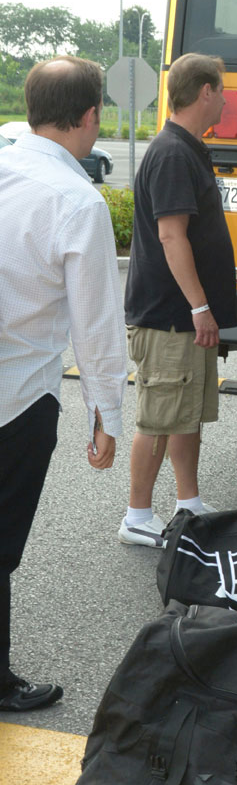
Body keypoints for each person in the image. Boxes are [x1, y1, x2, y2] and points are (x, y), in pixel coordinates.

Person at [0, 57, 126, 712]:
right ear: (88, 117)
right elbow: (97, 325)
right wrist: (105, 417)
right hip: (16, 397)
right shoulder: (77, 201)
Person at [119, 53, 237, 548]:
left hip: (181, 317)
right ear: (205, 92)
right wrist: (199, 307)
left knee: (184, 413)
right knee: (160, 416)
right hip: (168, 317)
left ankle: (187, 502)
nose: (226, 99)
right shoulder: (172, 153)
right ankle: (136, 518)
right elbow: (172, 237)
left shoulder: (188, 148)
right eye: (222, 90)